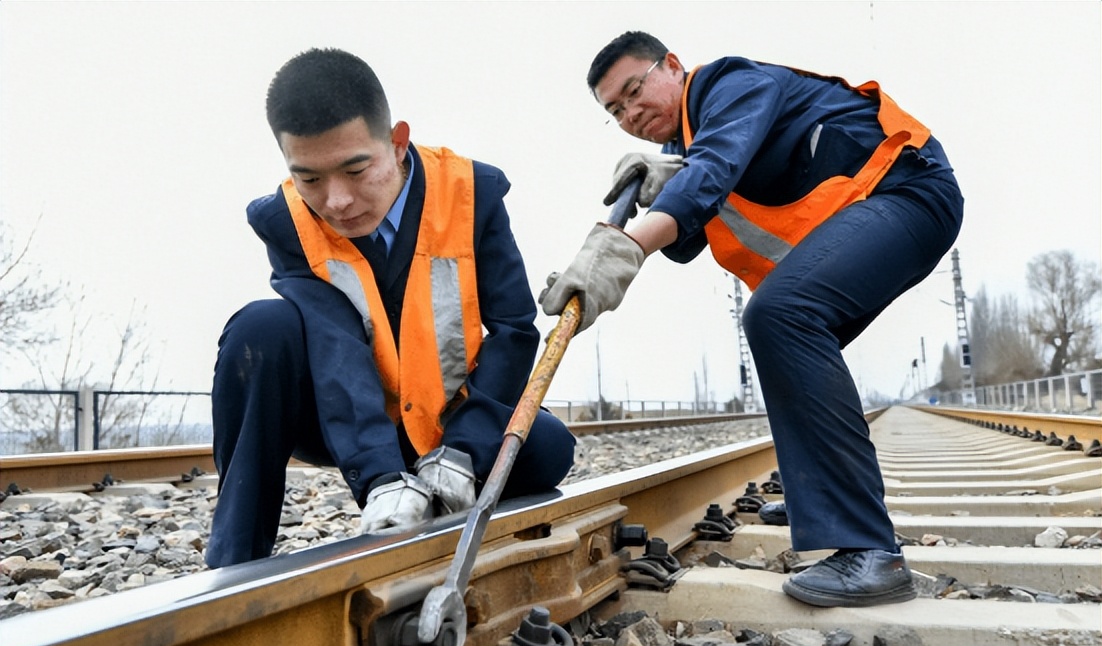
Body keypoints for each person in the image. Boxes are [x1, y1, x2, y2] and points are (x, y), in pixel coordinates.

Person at [541, 32, 964, 607]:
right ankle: (821, 492)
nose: (630, 113)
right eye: (615, 111)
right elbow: (690, 228)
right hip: (876, 208)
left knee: (783, 314)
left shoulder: (729, 84)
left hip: (906, 189)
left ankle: (871, 552)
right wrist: (666, 180)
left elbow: (711, 172)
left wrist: (619, 248)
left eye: (635, 90)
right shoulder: (698, 146)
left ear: (672, 65)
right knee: (787, 338)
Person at [206, 48, 575, 568]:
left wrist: (465, 449)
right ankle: (233, 565)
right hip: (348, 419)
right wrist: (378, 476)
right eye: (310, 178)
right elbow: (334, 343)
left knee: (549, 449)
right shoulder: (286, 222)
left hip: (451, 417)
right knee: (260, 331)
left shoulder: (473, 194)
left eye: (357, 169)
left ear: (397, 142)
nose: (336, 201)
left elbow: (513, 330)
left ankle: (448, 493)